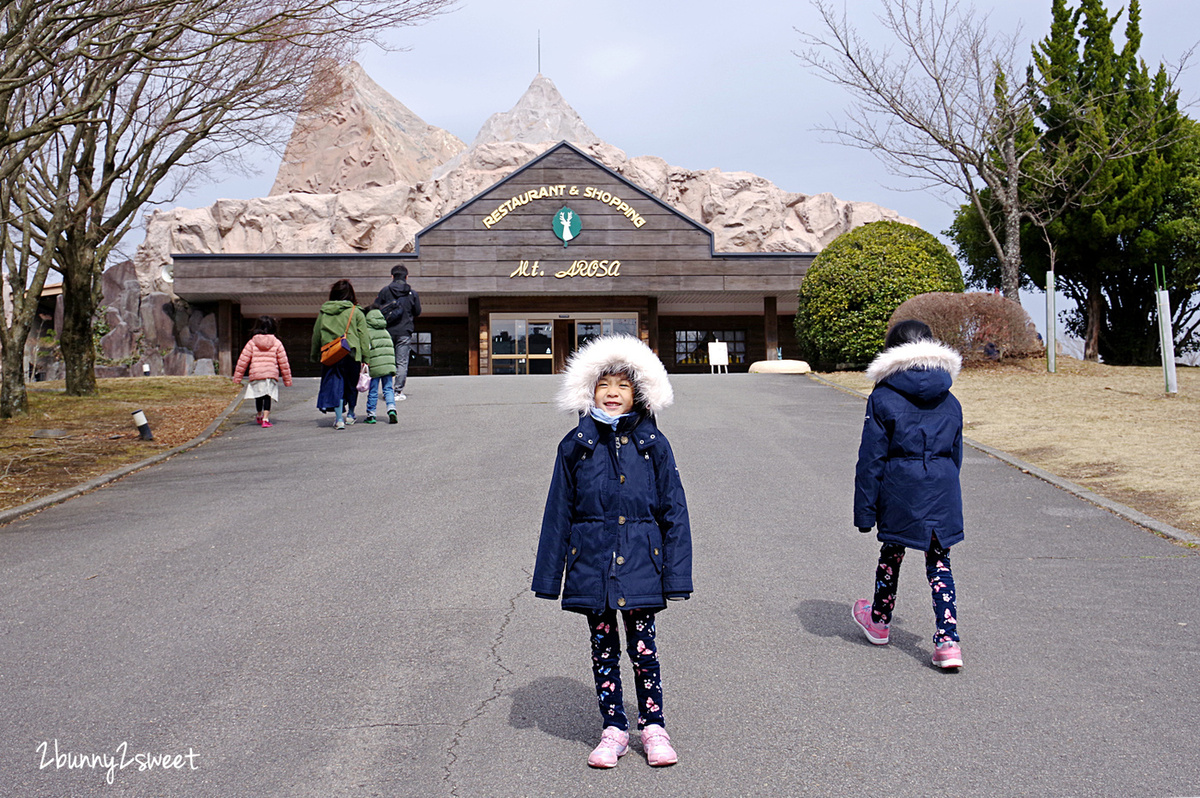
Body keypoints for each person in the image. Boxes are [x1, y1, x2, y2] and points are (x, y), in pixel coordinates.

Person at [531, 335, 693, 769]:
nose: (614, 393)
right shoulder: (575, 447)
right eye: (605, 385)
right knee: (603, 649)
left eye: (623, 385)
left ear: (638, 393)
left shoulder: (653, 444)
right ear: (590, 391)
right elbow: (558, 513)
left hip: (642, 563)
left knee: (643, 649)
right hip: (592, 565)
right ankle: (614, 728)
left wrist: (676, 576)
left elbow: (674, 511)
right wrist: (549, 578)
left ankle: (653, 726)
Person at [852, 319, 965, 669]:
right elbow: (956, 454)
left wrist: (865, 511)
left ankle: (880, 621)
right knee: (939, 561)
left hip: (900, 489)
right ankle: (948, 642)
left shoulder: (883, 397)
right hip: (942, 488)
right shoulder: (951, 400)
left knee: (892, 553)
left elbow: (871, 458)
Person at [311, 279, 369, 430]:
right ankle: (350, 414)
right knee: (351, 385)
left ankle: (338, 419)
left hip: (332, 355)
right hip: (351, 353)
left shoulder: (324, 311)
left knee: (336, 386)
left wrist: (315, 354)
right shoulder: (356, 311)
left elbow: (316, 334)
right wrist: (366, 358)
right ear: (351, 294)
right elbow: (363, 337)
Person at [232, 315, 293, 428]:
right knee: (267, 396)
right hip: (270, 374)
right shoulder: (276, 343)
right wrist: (287, 380)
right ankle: (266, 418)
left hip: (256, 373)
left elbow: (243, 361)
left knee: (258, 395)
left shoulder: (252, 342)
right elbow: (284, 363)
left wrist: (237, 378)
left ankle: (259, 415)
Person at [374, 264, 421, 401]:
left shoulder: (385, 291)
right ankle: (398, 391)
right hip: (404, 332)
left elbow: (376, 309)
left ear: (392, 276)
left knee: (387, 361)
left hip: (387, 331)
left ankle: (387, 390)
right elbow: (417, 312)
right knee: (401, 362)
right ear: (406, 277)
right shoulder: (412, 293)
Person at [362, 303, 398, 424]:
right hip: (387, 365)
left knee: (373, 391)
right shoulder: (385, 331)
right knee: (388, 389)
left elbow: (366, 348)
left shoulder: (367, 332)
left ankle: (371, 415)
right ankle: (391, 409)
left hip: (374, 366)